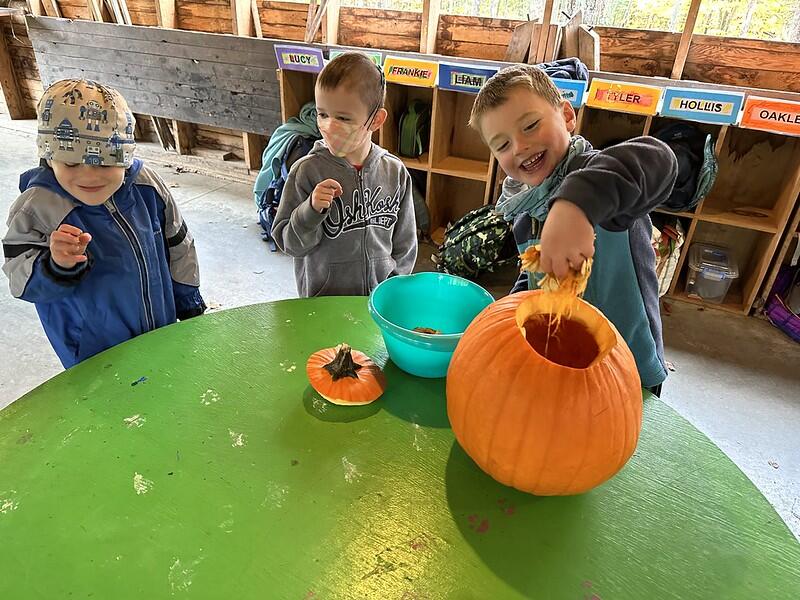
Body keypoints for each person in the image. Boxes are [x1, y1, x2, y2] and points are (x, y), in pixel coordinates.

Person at [469, 65, 678, 390]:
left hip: (627, 371)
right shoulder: (524, 213)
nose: (520, 146)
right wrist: (503, 320)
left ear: (567, 116)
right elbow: (534, 280)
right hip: (560, 365)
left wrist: (575, 206)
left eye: (531, 125)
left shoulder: (605, 178)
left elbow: (660, 159)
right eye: (503, 144)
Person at [2, 79, 205, 368]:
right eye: (71, 163)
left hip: (161, 333)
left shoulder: (147, 187)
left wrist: (188, 299)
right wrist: (57, 266)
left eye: (105, 161)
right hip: (93, 356)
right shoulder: (37, 208)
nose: (89, 176)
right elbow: (21, 282)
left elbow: (179, 244)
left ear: (126, 154)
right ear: (49, 155)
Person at [271, 52, 417, 297]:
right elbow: (289, 244)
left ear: (376, 120)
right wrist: (310, 211)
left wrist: (394, 290)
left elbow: (406, 243)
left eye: (343, 117)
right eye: (322, 114)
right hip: (323, 305)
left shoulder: (395, 172)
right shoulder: (306, 171)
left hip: (377, 304)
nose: (329, 126)